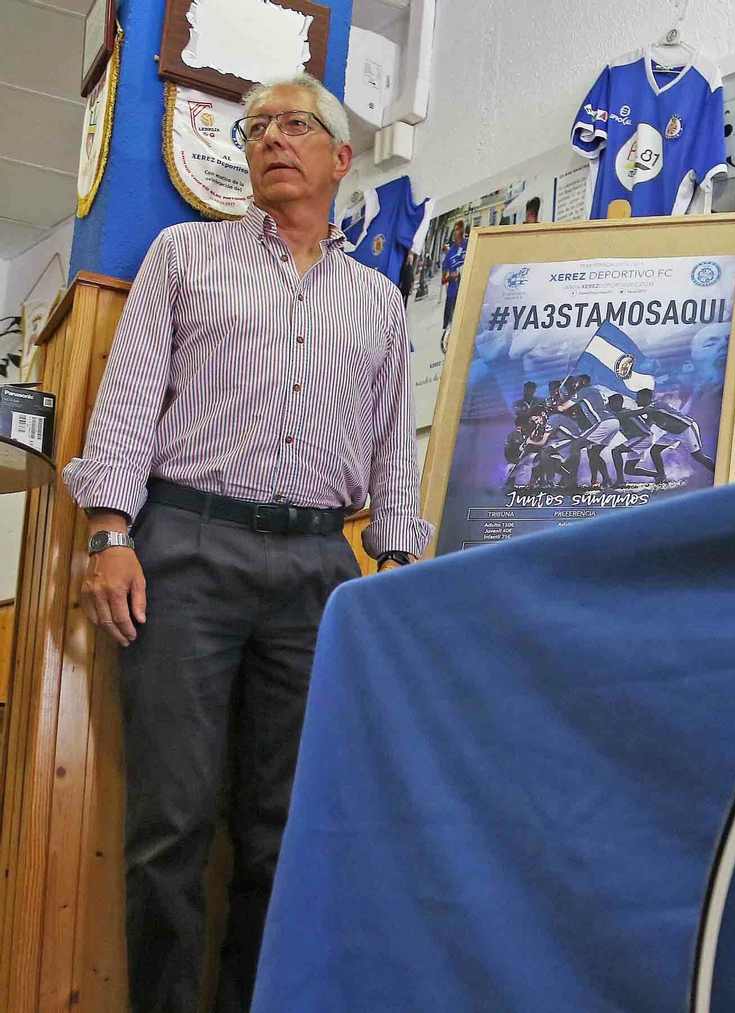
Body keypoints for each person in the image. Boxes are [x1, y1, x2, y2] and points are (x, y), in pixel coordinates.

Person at [64, 72, 431, 1013]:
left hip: (319, 572)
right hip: (184, 549)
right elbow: (130, 403)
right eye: (257, 125)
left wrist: (391, 565)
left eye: (295, 125)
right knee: (170, 826)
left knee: (283, 830)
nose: (271, 138)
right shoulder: (184, 256)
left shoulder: (380, 303)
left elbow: (393, 447)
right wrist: (110, 529)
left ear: (341, 159)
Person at [440, 219, 467, 351]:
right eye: (454, 229)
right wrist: (450, 276)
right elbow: (442, 280)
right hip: (452, 294)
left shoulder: (469, 245)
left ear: (462, 230)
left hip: (467, 292)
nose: (454, 232)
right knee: (450, 327)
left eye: (457, 229)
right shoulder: (449, 254)